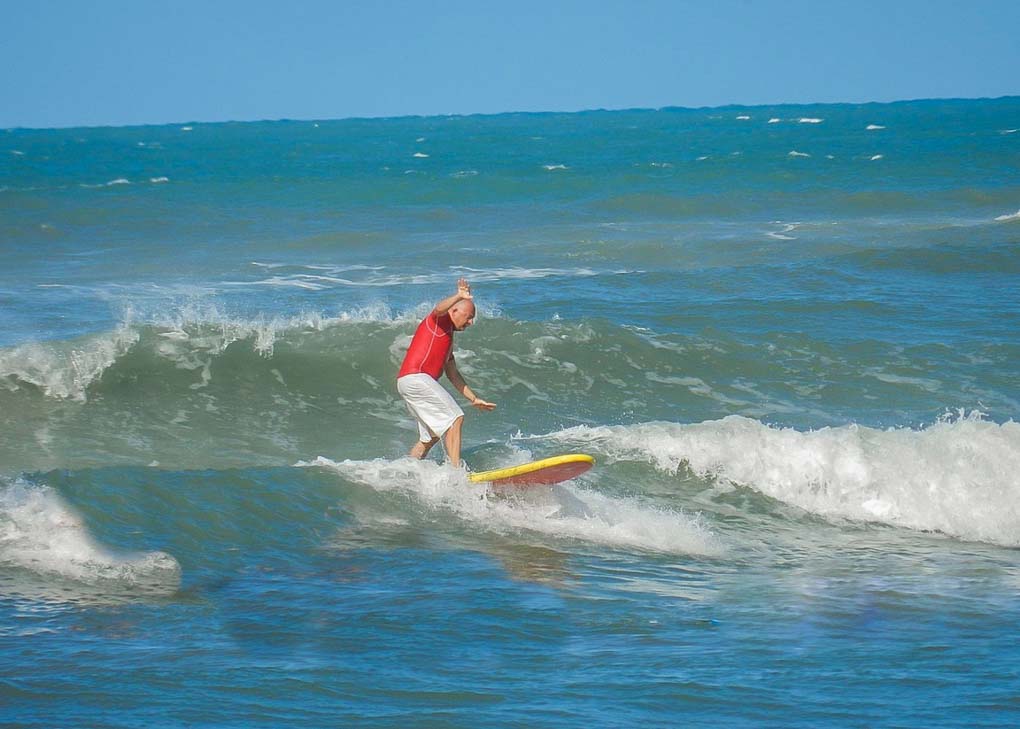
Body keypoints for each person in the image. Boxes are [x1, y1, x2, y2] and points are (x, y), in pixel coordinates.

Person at [396, 278, 496, 467]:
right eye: (468, 316)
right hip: (416, 378)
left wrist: (473, 399)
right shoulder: (438, 322)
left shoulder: (448, 339)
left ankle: (407, 470)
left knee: (430, 437)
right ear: (454, 311)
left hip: (409, 382)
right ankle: (456, 473)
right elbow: (439, 308)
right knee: (455, 417)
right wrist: (459, 295)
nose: (470, 322)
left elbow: (453, 373)